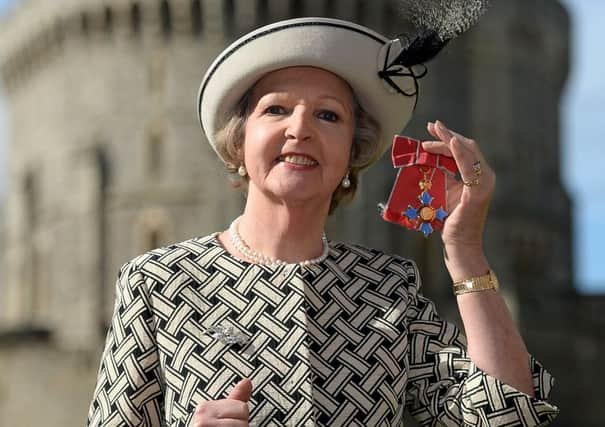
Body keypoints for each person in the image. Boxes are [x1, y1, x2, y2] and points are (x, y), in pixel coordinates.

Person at [87, 15, 559, 427]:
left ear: (353, 151)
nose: (300, 129)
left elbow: (504, 415)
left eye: (328, 115)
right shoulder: (158, 283)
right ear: (239, 140)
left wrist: (465, 251)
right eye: (276, 109)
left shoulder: (386, 288)